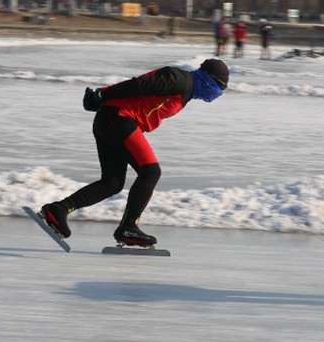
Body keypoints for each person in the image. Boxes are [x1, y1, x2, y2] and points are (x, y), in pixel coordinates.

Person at [39, 58, 230, 247]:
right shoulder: (181, 79)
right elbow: (139, 85)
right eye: (218, 88)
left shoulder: (187, 88)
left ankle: (58, 210)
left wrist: (104, 100)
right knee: (151, 171)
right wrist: (101, 95)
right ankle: (128, 227)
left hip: (111, 120)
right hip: (119, 118)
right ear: (208, 79)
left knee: (112, 183)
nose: (216, 94)